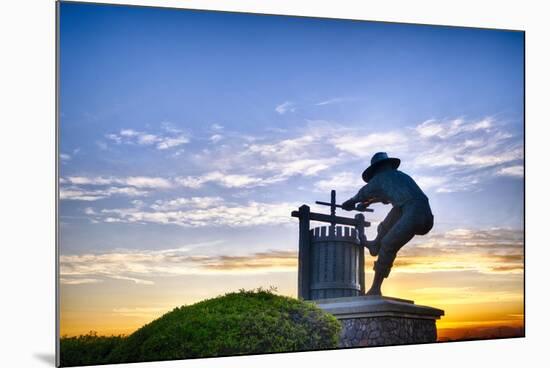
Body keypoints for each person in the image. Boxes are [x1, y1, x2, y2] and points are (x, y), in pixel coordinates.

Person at [342, 152, 434, 296]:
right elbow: (384, 195)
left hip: (413, 213)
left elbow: (364, 192)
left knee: (388, 245)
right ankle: (375, 244)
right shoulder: (401, 177)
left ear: (376, 169)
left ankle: (375, 288)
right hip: (424, 214)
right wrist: (366, 204)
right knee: (387, 222)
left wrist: (350, 202)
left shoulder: (380, 178)